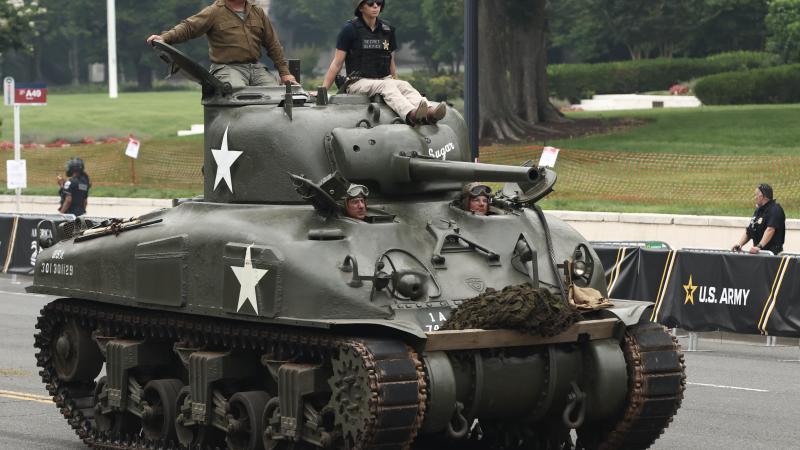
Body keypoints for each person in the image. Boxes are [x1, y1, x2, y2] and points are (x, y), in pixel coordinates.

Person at [321, 0, 446, 126]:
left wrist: (395, 81)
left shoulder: (387, 29)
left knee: (404, 85)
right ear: (360, 7)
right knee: (386, 86)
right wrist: (323, 90)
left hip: (384, 79)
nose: (375, 6)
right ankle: (411, 115)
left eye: (379, 2)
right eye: (370, 3)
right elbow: (337, 63)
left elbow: (390, 59)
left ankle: (430, 113)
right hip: (358, 82)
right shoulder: (349, 29)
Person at [146, 0, 297, 88]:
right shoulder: (214, 11)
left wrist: (285, 73)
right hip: (227, 68)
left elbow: (273, 44)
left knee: (274, 94)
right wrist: (164, 38)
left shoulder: (257, 12)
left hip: (256, 68)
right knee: (236, 93)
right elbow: (189, 27)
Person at [732, 183, 786, 254]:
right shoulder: (759, 210)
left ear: (763, 196)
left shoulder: (775, 209)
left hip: (772, 254)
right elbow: (750, 230)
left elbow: (770, 230)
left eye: (756, 195)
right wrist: (740, 244)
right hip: (758, 253)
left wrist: (759, 246)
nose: (755, 197)